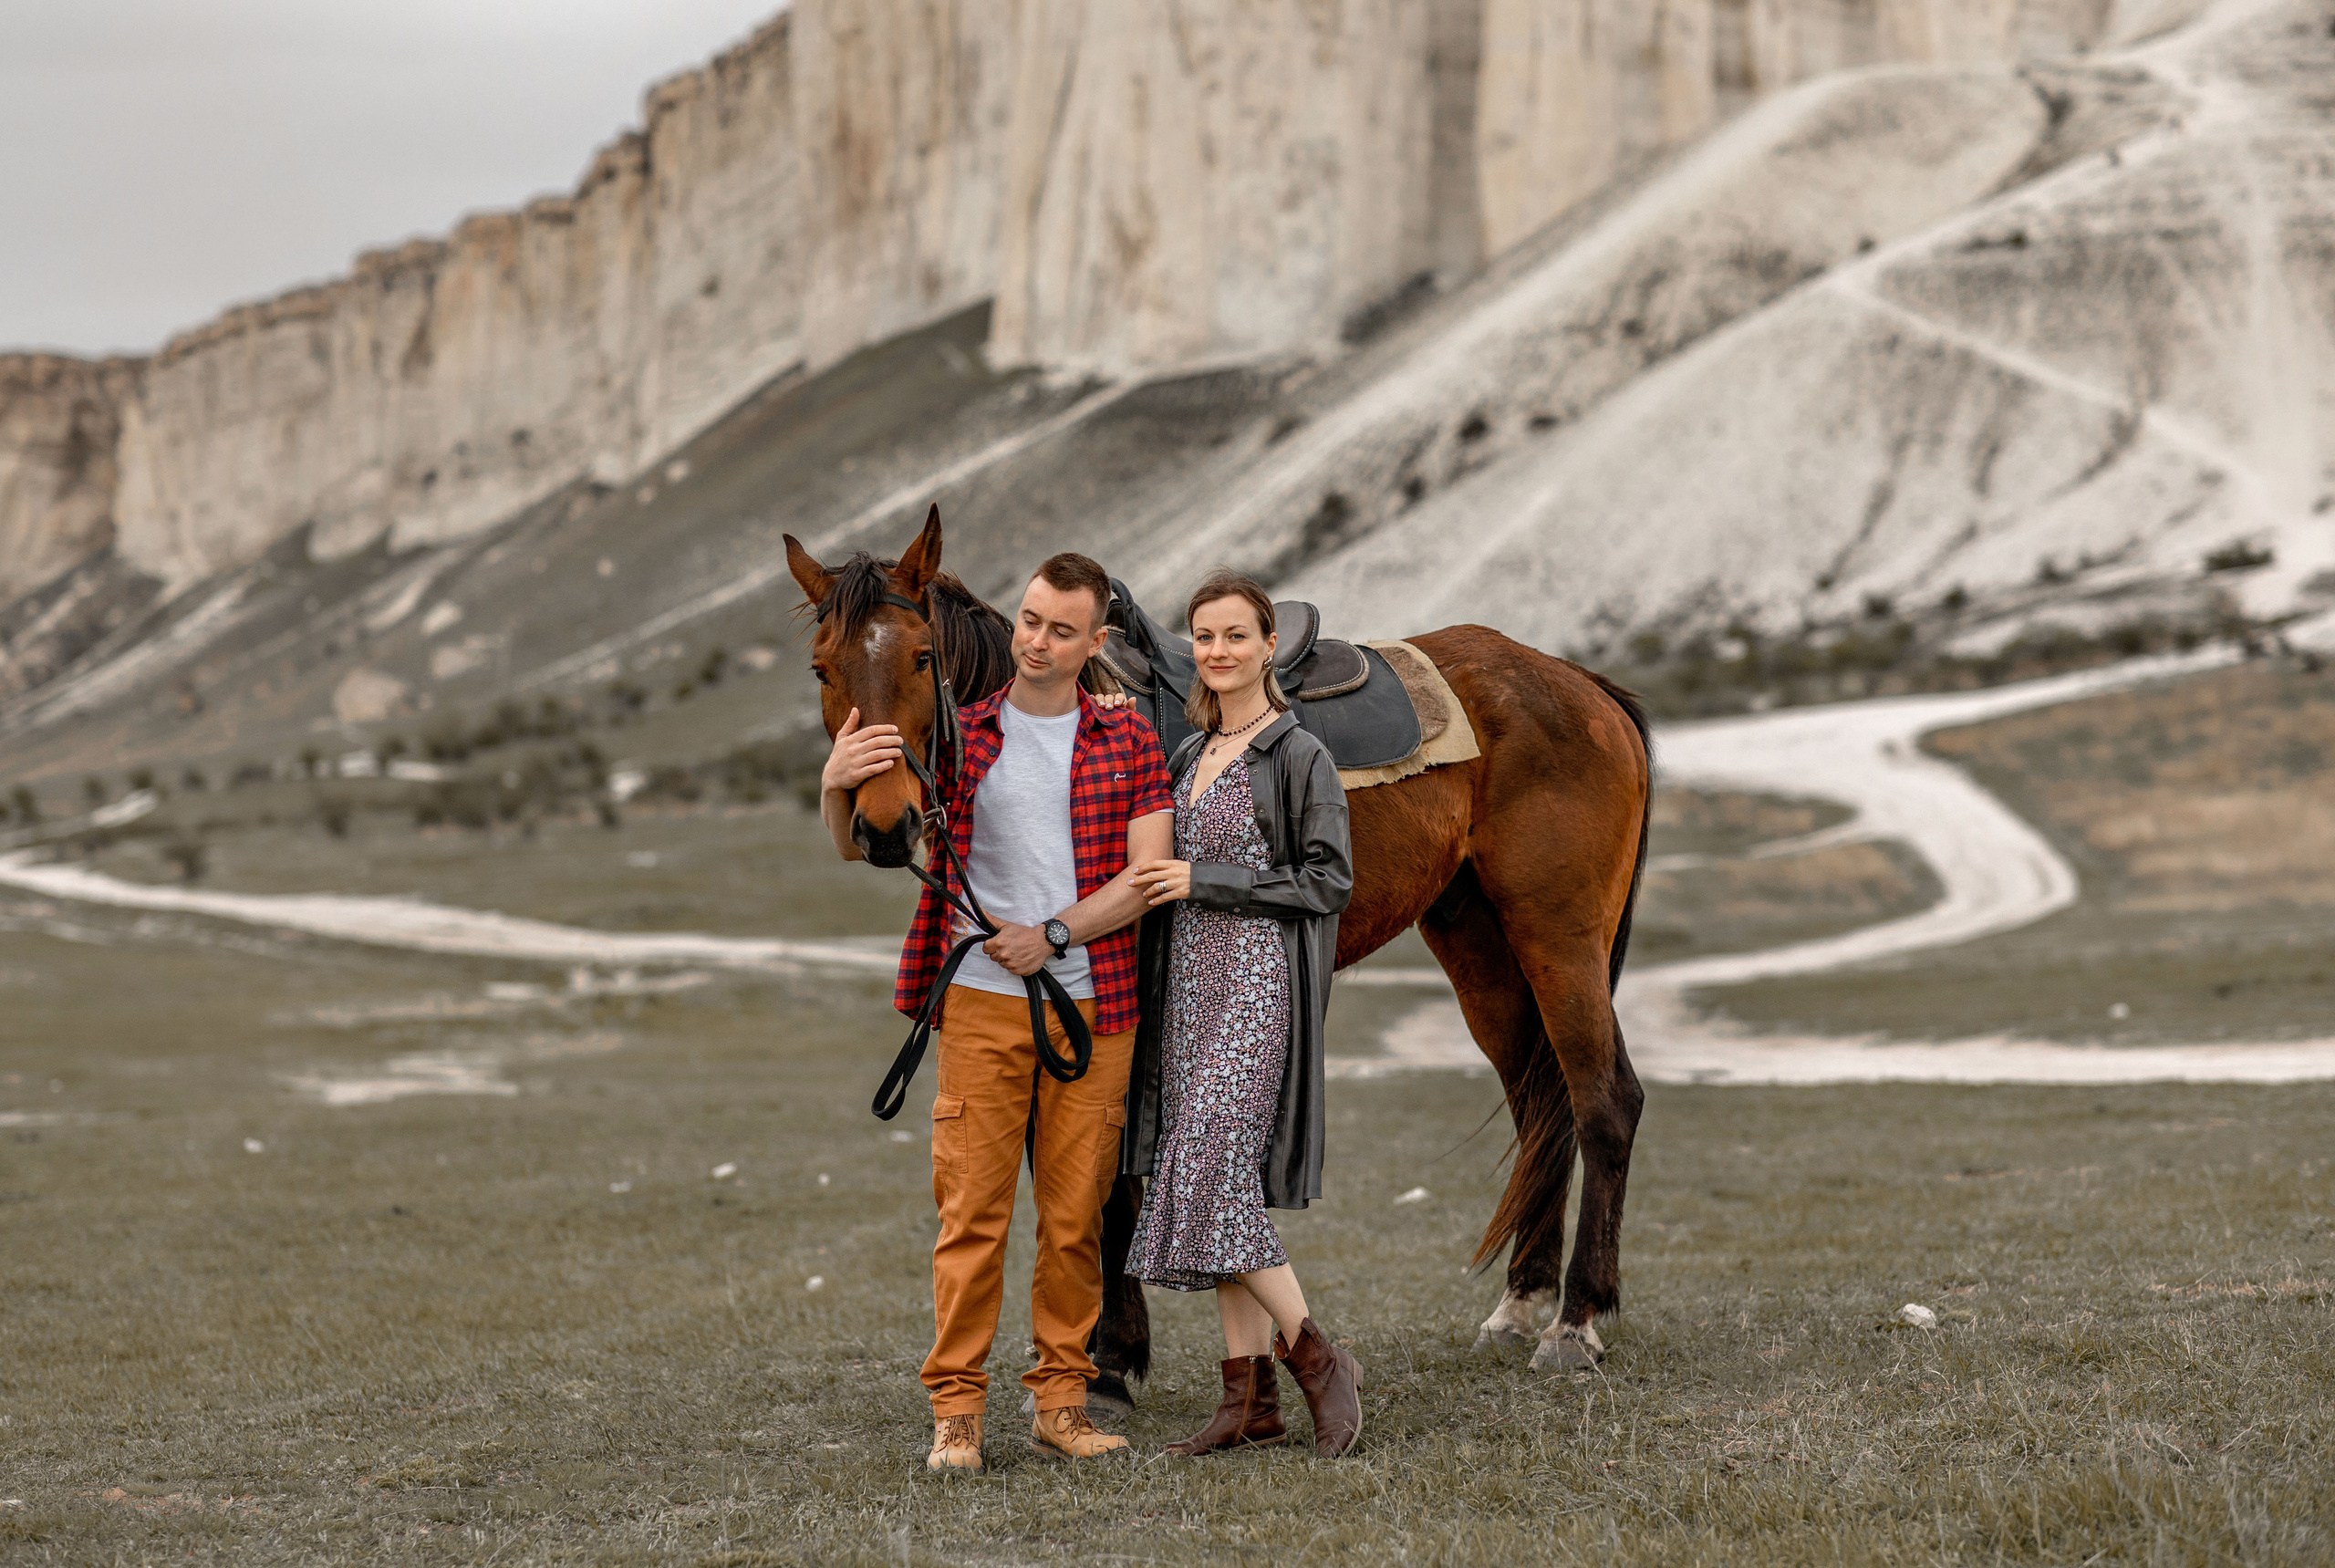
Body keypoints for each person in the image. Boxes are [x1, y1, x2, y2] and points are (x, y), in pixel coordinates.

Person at [819, 552, 1174, 1475]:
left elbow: (1146, 877)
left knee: (1074, 1220)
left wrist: (1052, 934)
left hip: (1096, 1009)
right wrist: (834, 783)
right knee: (972, 1217)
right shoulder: (962, 734)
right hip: (979, 1006)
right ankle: (957, 1415)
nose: (1039, 642)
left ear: (1096, 641)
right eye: (1028, 621)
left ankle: (1061, 1402)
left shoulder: (1127, 738)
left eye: (1062, 630)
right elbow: (870, 845)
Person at [1125, 569, 1363, 1459]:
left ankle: (1319, 1361)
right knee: (1215, 1182)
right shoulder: (1188, 755)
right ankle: (1246, 1400)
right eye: (1205, 637)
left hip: (1259, 985)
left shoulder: (1298, 755)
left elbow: (1327, 880)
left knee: (1214, 1172)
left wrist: (1205, 879)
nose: (1217, 651)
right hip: (1188, 992)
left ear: (1270, 646)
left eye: (1235, 635)